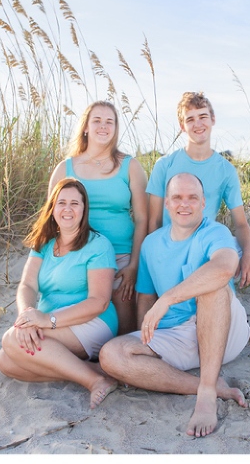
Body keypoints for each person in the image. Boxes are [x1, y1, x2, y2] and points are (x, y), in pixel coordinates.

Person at [99, 173, 250, 437]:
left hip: (223, 330)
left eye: (192, 198)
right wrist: (142, 339)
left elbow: (225, 266)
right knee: (111, 354)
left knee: (212, 284)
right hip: (178, 337)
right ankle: (208, 384)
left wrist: (168, 298)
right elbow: (145, 297)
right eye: (177, 198)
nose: (185, 204)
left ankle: (206, 394)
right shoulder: (151, 243)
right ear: (167, 203)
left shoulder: (214, 232)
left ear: (203, 202)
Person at [146, 91, 250, 354]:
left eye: (203, 116)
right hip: (176, 241)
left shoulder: (225, 169)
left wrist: (247, 253)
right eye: (190, 119)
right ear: (182, 126)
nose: (198, 124)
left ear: (212, 120)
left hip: (213, 241)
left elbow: (241, 223)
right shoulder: (165, 165)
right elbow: (153, 221)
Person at [0, 178, 119, 409]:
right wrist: (27, 316)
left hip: (91, 321)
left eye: (75, 203)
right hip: (47, 322)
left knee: (11, 340)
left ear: (84, 209)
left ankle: (95, 381)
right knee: (5, 362)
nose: (68, 209)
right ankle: (90, 370)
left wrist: (46, 320)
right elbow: (27, 286)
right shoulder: (44, 243)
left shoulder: (98, 245)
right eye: (62, 202)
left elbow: (99, 302)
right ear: (52, 208)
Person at [48, 100, 148, 335]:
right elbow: (52, 219)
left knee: (123, 316)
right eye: (97, 121)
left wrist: (134, 265)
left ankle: (121, 360)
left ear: (115, 128)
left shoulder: (130, 166)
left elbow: (143, 219)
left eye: (109, 122)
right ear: (86, 127)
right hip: (78, 254)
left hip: (121, 255)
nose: (103, 126)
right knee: (82, 314)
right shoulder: (65, 168)